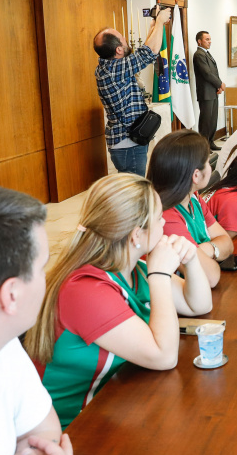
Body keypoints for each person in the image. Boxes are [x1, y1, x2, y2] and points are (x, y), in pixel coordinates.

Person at [25, 173, 213, 428]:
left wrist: (190, 261)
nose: (165, 224)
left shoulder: (133, 268)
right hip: (71, 432)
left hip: (115, 406)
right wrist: (159, 275)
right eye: (159, 218)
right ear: (136, 235)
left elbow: (199, 305)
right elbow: (164, 356)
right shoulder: (84, 290)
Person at [0, 186, 72, 455]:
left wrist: (30, 453)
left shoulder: (0, 340)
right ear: (11, 295)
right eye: (42, 268)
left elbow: (43, 430)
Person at [147, 130, 234, 286]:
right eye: (208, 162)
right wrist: (213, 250)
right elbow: (210, 277)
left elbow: (227, 242)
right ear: (196, 175)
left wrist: (203, 250)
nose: (210, 167)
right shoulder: (165, 218)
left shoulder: (194, 199)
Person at [94, 5, 171, 176]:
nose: (126, 41)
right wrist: (159, 22)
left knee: (130, 189)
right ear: (118, 50)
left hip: (124, 143)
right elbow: (149, 52)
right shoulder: (115, 69)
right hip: (128, 144)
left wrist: (154, 26)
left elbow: (144, 52)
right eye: (123, 39)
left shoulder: (107, 66)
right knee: (135, 192)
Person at [193, 30, 225, 151]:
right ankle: (203, 146)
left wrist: (218, 86)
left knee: (212, 120)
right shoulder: (199, 54)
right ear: (199, 41)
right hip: (205, 93)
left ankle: (210, 142)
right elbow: (206, 74)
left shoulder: (207, 53)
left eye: (210, 39)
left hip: (212, 92)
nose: (209, 41)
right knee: (206, 121)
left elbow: (214, 72)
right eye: (207, 39)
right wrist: (220, 84)